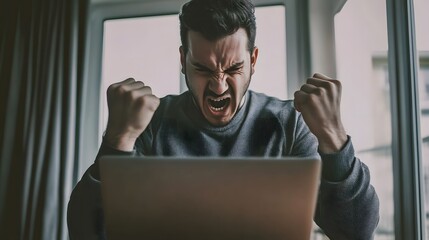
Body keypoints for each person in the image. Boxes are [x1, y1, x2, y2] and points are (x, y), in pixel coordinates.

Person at [67, 0, 379, 239]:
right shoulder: (150, 123)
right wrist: (118, 141)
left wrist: (334, 137)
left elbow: (356, 231)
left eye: (232, 69)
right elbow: (87, 232)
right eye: (203, 69)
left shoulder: (288, 124)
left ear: (253, 60)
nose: (218, 86)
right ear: (182, 61)